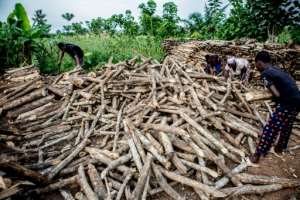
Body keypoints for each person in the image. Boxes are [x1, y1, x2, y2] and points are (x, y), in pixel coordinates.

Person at [250, 51, 300, 163]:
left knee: (271, 128)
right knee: (287, 126)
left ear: (259, 63)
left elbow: (276, 94)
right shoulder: (276, 70)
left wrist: (275, 99)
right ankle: (280, 148)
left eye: (256, 65)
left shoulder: (265, 74)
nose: (257, 68)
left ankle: (257, 155)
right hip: (297, 100)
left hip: (287, 102)